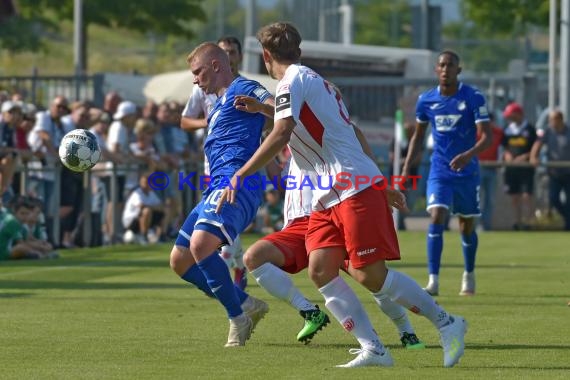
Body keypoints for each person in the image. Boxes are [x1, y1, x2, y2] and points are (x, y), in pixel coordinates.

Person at [217, 22, 467, 368]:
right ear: (299, 52)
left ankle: (447, 322)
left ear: (266, 57)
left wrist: (239, 176)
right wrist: (263, 109)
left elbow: (283, 132)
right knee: (320, 268)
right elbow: (345, 130)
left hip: (351, 187)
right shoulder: (312, 82)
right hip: (327, 193)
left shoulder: (292, 80)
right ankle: (375, 349)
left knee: (370, 274)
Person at [169, 42, 275, 347]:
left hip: (238, 183)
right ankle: (244, 303)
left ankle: (238, 316)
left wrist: (261, 108)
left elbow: (284, 111)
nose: (194, 79)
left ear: (216, 66)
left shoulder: (245, 87)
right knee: (180, 259)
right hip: (216, 185)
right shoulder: (217, 103)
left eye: (198, 71)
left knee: (202, 245)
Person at [402, 51, 492, 298]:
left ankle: (469, 273)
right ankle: (433, 281)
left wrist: (468, 155)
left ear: (458, 70)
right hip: (439, 170)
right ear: (435, 70)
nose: (445, 69)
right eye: (441, 65)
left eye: (450, 65)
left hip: (466, 172)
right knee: (437, 216)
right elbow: (418, 138)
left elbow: (487, 137)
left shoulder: (473, 97)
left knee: (465, 226)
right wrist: (405, 169)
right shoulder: (426, 100)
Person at [180, 36, 250, 290]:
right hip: (213, 165)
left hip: (241, 164)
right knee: (218, 222)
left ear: (239, 57)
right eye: (223, 51)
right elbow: (185, 121)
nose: (227, 55)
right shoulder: (201, 86)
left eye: (231, 52)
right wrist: (208, 121)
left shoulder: (245, 87)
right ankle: (237, 267)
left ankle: (233, 274)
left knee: (222, 221)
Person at [530, 110, 570, 230]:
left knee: (569, 201)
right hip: (554, 172)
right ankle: (568, 218)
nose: (551, 122)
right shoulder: (548, 131)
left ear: (560, 120)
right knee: (553, 198)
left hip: (568, 173)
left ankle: (568, 226)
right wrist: (534, 157)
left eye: (553, 120)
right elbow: (538, 144)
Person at [501, 102, 537, 230]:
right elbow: (505, 146)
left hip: (526, 168)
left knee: (527, 196)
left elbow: (535, 147)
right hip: (512, 168)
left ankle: (529, 222)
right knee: (514, 196)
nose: (509, 118)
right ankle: (517, 222)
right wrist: (507, 155)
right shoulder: (507, 129)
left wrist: (525, 157)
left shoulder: (530, 129)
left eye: (511, 115)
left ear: (518, 114)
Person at [477, 114, 504, 231]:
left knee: (489, 199)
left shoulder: (499, 132)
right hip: (476, 169)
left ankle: (486, 225)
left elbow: (503, 148)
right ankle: (475, 224)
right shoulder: (474, 131)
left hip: (492, 168)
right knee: (477, 198)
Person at [122, 173, 166, 244]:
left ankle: (161, 236)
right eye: (144, 183)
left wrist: (155, 208)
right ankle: (143, 236)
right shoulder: (136, 193)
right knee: (146, 211)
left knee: (162, 213)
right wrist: (153, 207)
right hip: (131, 222)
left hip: (145, 218)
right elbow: (141, 206)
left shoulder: (151, 193)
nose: (146, 185)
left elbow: (161, 206)